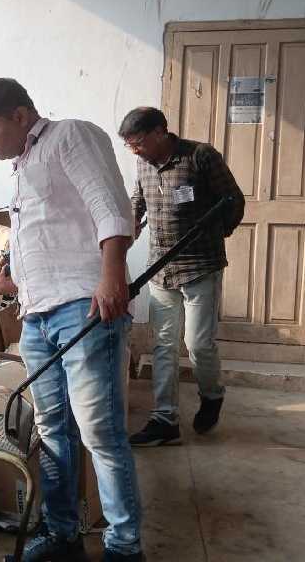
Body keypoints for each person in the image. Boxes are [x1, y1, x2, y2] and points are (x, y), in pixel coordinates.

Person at [0, 78, 143, 562]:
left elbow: (111, 208)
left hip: (85, 308)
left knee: (100, 434)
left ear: (21, 116)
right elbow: (51, 240)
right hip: (38, 316)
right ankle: (63, 535)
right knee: (53, 432)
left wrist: (112, 277)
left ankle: (125, 548)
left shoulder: (70, 136)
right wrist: (10, 284)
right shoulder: (23, 168)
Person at [119, 107, 244, 447]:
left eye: (139, 143)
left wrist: (216, 236)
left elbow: (234, 201)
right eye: (130, 146)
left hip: (200, 266)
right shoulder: (143, 162)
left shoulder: (200, 156)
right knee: (163, 344)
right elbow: (138, 198)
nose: (135, 151)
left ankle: (212, 394)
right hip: (161, 267)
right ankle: (165, 420)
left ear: (161, 131)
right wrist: (130, 223)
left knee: (198, 343)